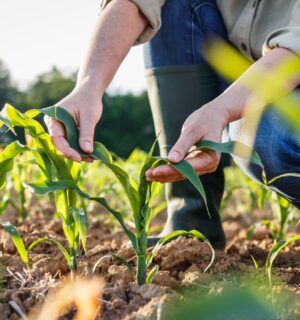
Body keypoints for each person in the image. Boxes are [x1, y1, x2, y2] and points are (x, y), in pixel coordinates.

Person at [45, 0, 300, 249]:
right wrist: (89, 85)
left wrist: (222, 109)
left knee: (266, 138)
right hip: (245, 69)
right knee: (176, 5)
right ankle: (191, 223)